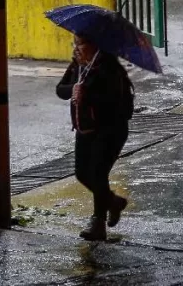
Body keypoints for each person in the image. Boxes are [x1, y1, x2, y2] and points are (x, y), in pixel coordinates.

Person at [56, 34, 135, 240]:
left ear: (95, 44)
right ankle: (113, 202)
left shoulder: (109, 68)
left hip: (110, 129)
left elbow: (115, 102)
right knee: (82, 173)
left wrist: (87, 94)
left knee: (98, 174)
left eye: (81, 43)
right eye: (75, 43)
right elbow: (60, 90)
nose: (76, 47)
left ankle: (98, 223)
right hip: (85, 128)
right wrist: (73, 88)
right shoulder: (78, 65)